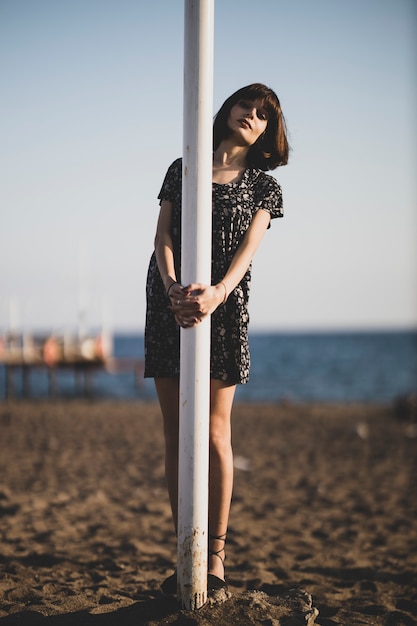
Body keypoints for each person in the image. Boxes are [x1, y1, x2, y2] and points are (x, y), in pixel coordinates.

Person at [144, 83, 289, 595]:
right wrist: (171, 290)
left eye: (264, 114)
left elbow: (247, 254)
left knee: (213, 433)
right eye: (246, 105)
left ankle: (217, 556)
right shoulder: (182, 166)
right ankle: (186, 545)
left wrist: (214, 296)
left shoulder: (264, 186)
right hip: (171, 302)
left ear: (270, 131)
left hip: (223, 308)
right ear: (228, 108)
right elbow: (162, 236)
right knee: (175, 431)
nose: (252, 115)